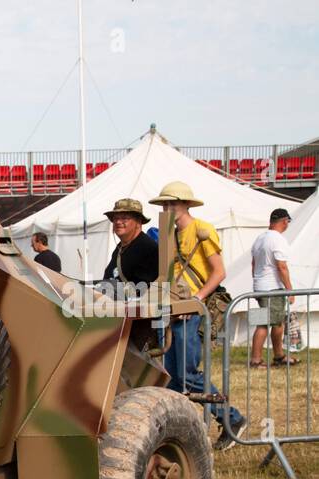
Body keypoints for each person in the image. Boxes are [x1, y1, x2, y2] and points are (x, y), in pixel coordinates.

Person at [150, 181, 244, 450]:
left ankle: (232, 418)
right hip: (170, 310)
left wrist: (197, 299)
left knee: (187, 374)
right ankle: (177, 434)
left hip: (190, 312)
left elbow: (219, 272)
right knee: (170, 376)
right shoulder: (166, 234)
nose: (168, 208)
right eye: (165, 204)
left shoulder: (202, 230)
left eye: (173, 203)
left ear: (187, 205)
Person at [249, 208, 298, 368]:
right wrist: (289, 289)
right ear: (285, 221)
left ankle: (274, 356)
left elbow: (253, 264)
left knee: (269, 322)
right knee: (271, 323)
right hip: (272, 288)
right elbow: (281, 266)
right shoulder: (277, 239)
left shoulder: (259, 239)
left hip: (259, 286)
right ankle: (261, 359)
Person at [100, 198, 159, 289]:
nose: (118, 222)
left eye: (124, 218)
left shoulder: (148, 249)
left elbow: (143, 290)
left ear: (138, 222)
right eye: (115, 218)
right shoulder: (120, 248)